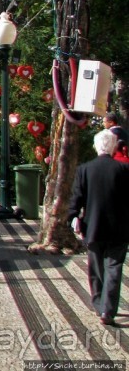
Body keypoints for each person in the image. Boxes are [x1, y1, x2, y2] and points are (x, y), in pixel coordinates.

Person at [67, 129, 129, 326]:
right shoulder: (123, 170)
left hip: (93, 226)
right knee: (114, 268)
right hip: (118, 228)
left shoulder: (85, 169)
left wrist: (74, 216)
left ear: (96, 146)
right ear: (113, 147)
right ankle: (108, 311)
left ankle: (98, 304)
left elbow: (77, 198)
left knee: (95, 268)